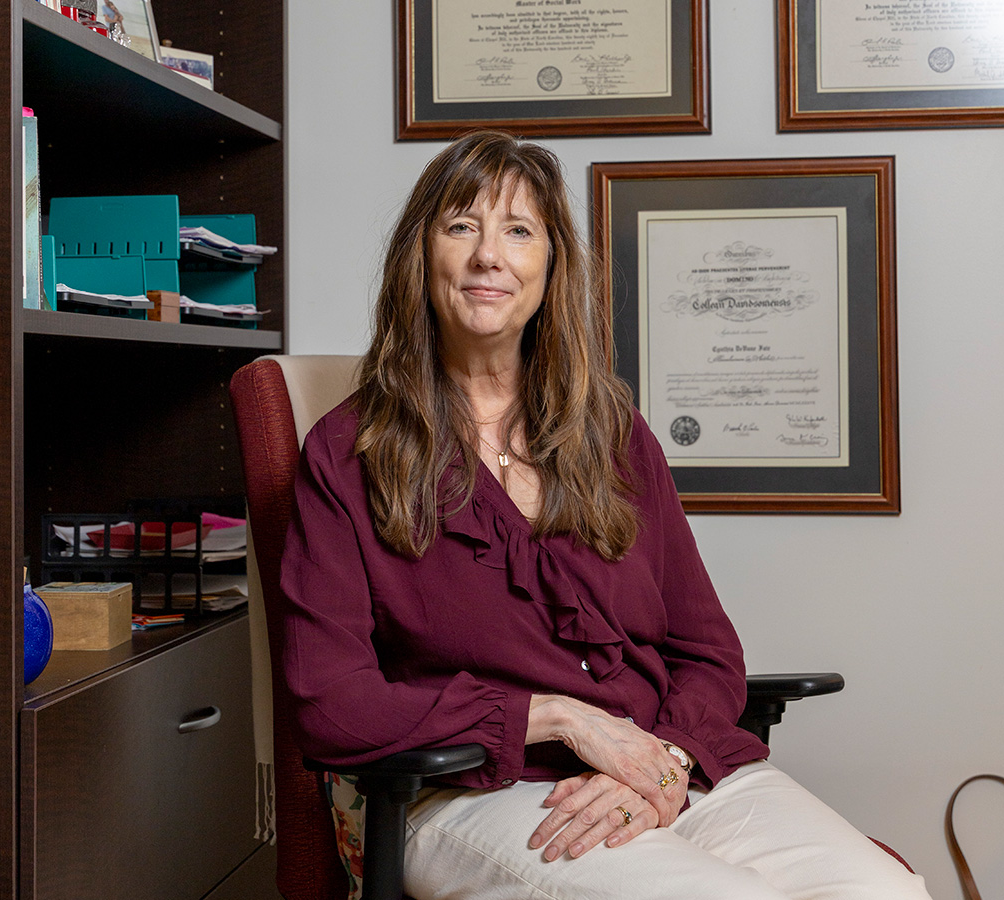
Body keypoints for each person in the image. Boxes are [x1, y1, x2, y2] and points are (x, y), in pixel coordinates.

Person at [280, 130, 931, 900]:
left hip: (657, 767)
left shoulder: (613, 434)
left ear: (551, 267)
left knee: (887, 891)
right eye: (461, 226)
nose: (490, 255)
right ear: (420, 257)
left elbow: (707, 650)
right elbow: (330, 705)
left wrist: (666, 761)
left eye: (519, 231)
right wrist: (559, 717)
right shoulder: (348, 453)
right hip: (472, 791)